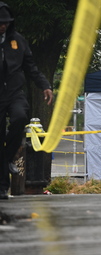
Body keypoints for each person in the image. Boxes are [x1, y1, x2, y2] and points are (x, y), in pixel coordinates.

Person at [0, 2, 53, 199]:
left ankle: (7, 157)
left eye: (5, 23)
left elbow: (31, 67)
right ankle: (2, 187)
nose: (3, 26)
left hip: (14, 92)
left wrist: (45, 85)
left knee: (20, 117)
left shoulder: (18, 41)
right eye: (0, 23)